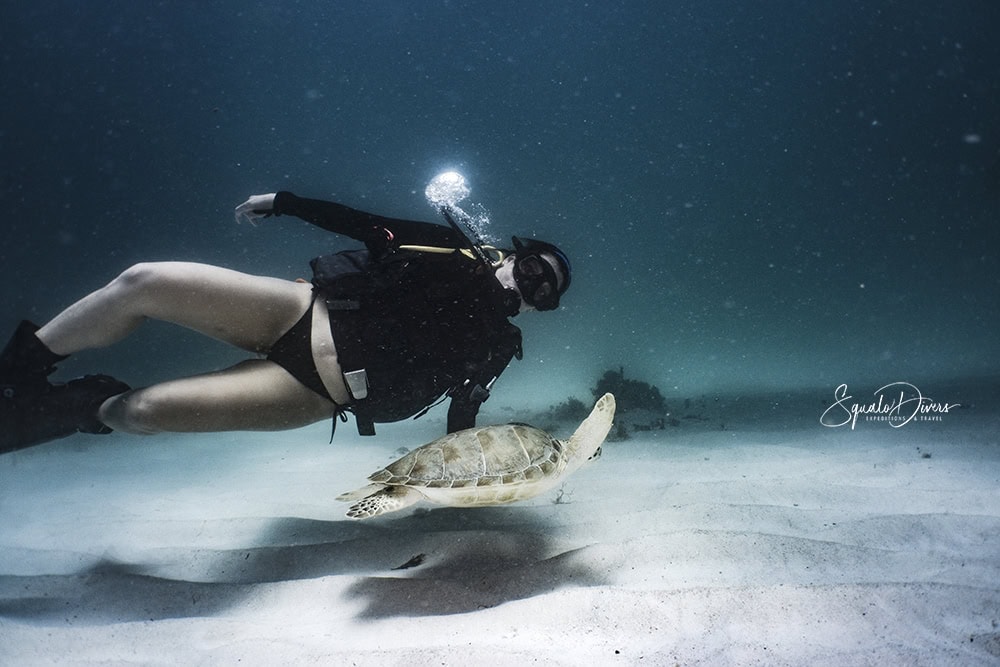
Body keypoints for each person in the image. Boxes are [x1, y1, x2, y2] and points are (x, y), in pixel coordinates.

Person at [0, 190, 571, 454]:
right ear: (510, 257)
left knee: (140, 413)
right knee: (146, 281)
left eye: (543, 294)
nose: (530, 287)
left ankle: (75, 405)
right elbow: (368, 225)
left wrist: (463, 480)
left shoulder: (500, 343)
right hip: (301, 311)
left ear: (539, 310)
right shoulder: (449, 247)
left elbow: (463, 417)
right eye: (531, 270)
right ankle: (16, 371)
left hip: (314, 394)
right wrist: (288, 201)